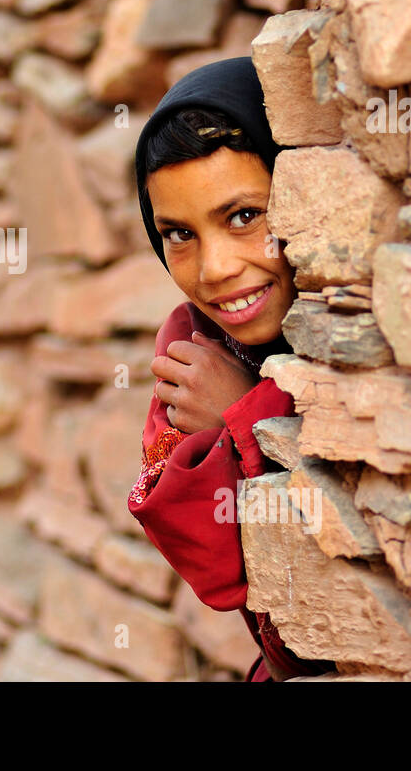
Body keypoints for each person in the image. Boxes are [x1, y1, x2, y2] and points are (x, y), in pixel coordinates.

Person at [127, 56, 334, 682]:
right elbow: (216, 571)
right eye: (179, 233)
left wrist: (244, 413)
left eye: (244, 216)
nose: (214, 268)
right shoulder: (193, 350)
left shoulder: (369, 337)